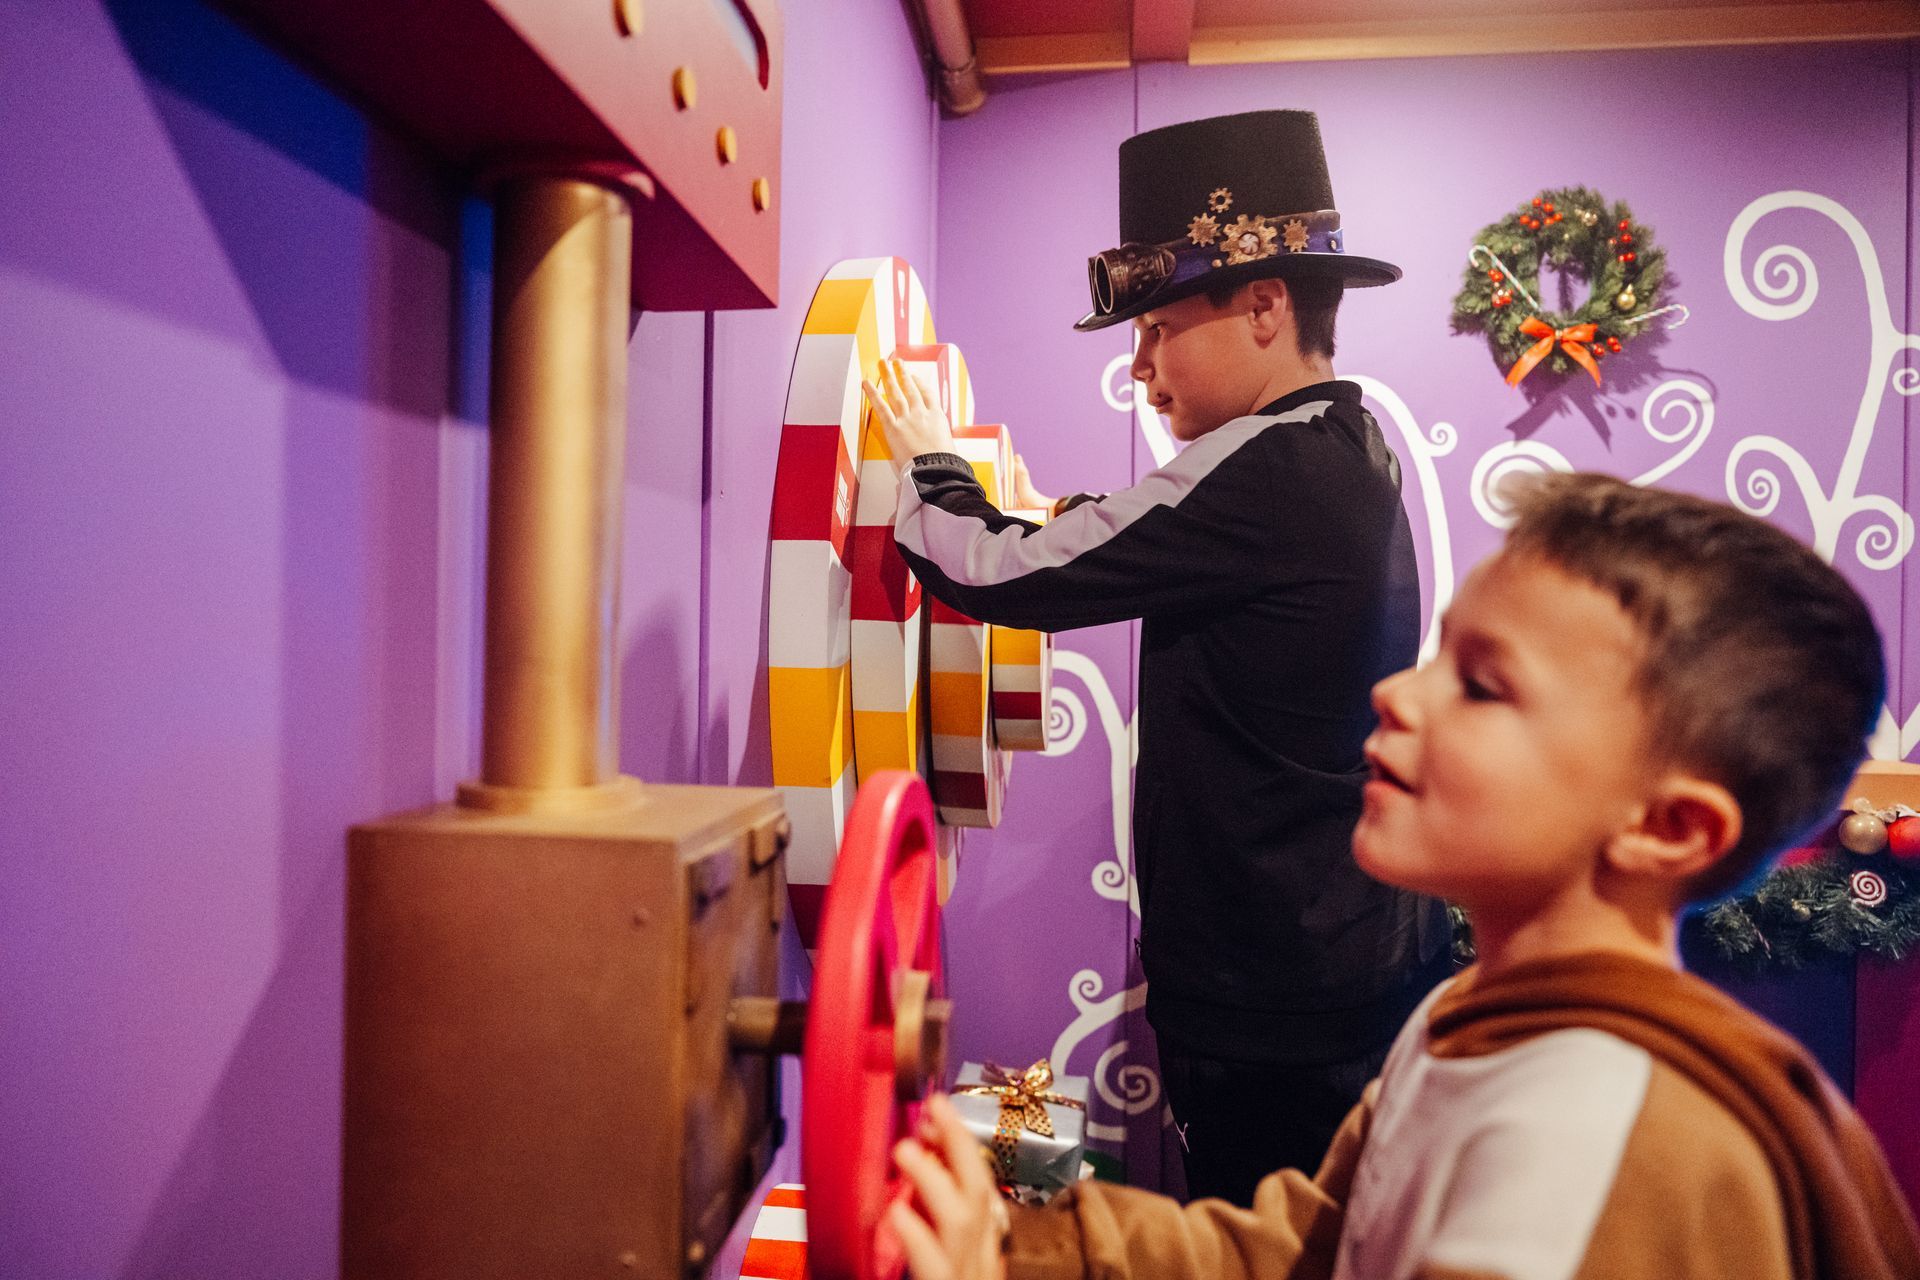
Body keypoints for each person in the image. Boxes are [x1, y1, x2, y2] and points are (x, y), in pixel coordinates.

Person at [886, 472, 1920, 1280]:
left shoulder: (1607, 1149)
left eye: (1480, 683)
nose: (1396, 693)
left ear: (1667, 825)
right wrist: (1022, 1228)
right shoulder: (1468, 1016)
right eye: (1438, 654)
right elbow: (1308, 1250)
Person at [863, 108, 1452, 1208]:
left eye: (1159, 328)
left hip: (1274, 998)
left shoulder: (1265, 468)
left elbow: (1001, 573)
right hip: (1341, 964)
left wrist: (931, 471)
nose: (1141, 369)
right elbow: (1164, 543)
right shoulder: (1340, 446)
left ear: (1267, 305)